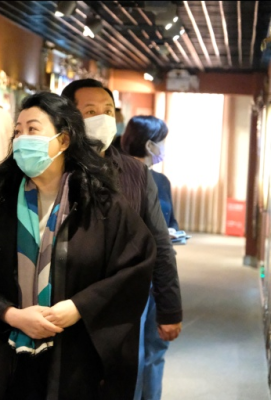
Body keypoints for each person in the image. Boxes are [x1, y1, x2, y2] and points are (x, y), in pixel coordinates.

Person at [0, 92, 156, 399]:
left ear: (63, 140)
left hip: (76, 360)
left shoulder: (101, 205)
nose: (22, 139)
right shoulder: (3, 204)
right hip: (8, 360)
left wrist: (78, 307)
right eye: (18, 131)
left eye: (33, 129)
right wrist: (11, 315)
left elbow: (135, 269)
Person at [61, 79, 182, 400]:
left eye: (107, 110)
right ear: (67, 117)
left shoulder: (135, 173)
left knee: (117, 382)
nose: (102, 118)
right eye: (90, 111)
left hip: (121, 305)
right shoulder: (53, 169)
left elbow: (159, 242)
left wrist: (170, 308)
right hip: (62, 303)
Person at [122, 116, 178, 230]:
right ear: (149, 146)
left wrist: (172, 231)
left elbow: (172, 222)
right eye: (162, 142)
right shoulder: (120, 177)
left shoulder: (162, 180)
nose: (164, 147)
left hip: (163, 242)